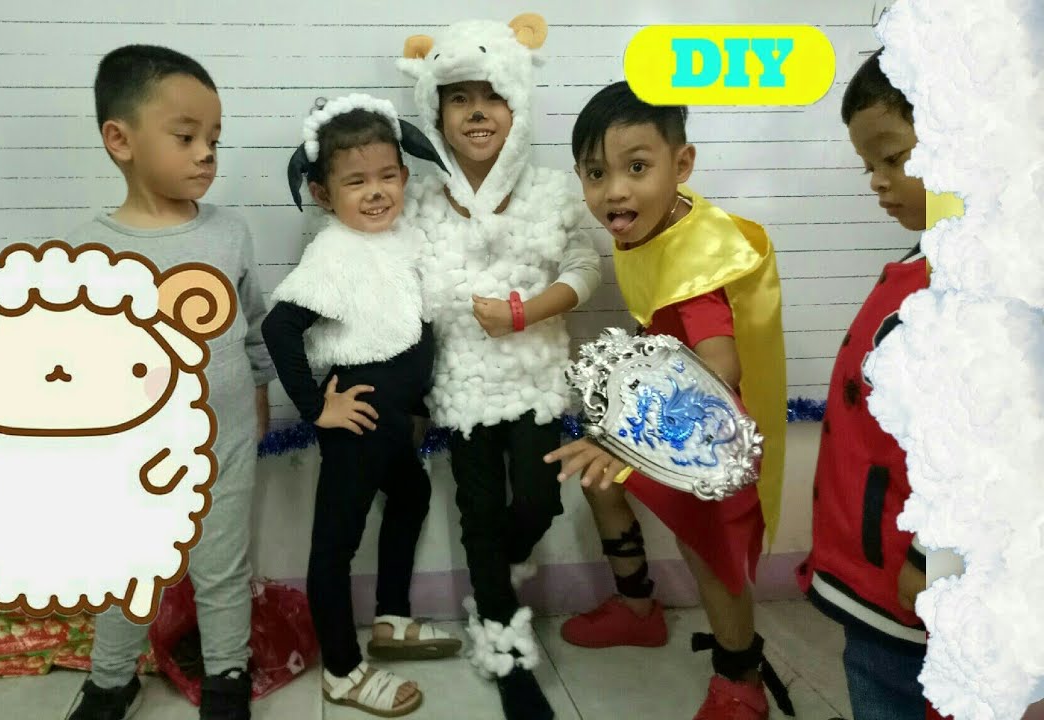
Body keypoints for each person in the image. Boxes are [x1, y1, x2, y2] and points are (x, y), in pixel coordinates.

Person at [547, 81, 793, 720]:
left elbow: (720, 366)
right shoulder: (655, 221)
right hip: (668, 404)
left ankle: (740, 679)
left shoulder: (696, 264)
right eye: (596, 173)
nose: (615, 191)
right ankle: (638, 609)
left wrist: (632, 433)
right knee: (601, 483)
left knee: (709, 551)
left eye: (637, 167)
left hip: (709, 427)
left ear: (681, 164)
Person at [396, 14, 601, 720]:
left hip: (536, 379)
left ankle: (498, 568)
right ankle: (506, 651)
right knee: (477, 513)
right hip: (458, 388)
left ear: (518, 103)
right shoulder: (421, 202)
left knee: (538, 501)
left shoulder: (551, 191)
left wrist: (527, 311)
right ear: (436, 112)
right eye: (459, 97)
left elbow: (585, 266)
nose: (477, 111)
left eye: (492, 96)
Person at [61, 44, 274, 720]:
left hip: (226, 440)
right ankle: (110, 680)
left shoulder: (229, 233)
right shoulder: (86, 248)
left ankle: (227, 676)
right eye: (186, 137)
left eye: (214, 138)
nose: (207, 153)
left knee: (222, 568)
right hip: (133, 456)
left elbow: (253, 325)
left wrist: (260, 395)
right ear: (120, 140)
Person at [261, 94, 458, 717]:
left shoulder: (399, 237)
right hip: (360, 416)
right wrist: (316, 407)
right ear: (324, 194)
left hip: (396, 417)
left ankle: (392, 618)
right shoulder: (335, 252)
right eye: (356, 182)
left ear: (404, 176)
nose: (376, 192)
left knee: (412, 494)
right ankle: (342, 671)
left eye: (387, 176)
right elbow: (279, 329)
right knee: (335, 545)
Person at [795, 48, 952, 720]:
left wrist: (930, 555)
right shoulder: (923, 266)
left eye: (893, 158)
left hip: (912, 587)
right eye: (869, 166)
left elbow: (980, 446)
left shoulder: (972, 295)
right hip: (877, 581)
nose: (878, 182)